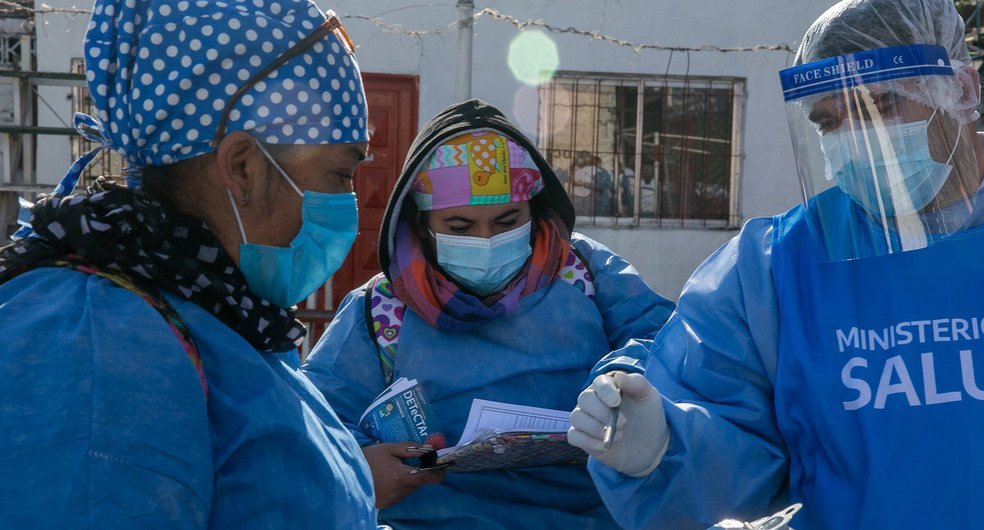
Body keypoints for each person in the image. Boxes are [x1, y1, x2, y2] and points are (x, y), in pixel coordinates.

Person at [567, 0, 984, 529]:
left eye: (878, 105)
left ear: (961, 92)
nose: (852, 138)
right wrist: (662, 450)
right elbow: (727, 436)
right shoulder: (777, 270)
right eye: (828, 120)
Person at [0, 0, 379, 527]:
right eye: (341, 175)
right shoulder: (98, 344)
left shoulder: (216, 309)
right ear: (243, 167)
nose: (349, 204)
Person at [300, 99, 674, 530]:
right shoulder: (381, 310)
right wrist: (359, 467)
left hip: (591, 513)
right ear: (420, 223)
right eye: (460, 228)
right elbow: (314, 420)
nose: (487, 240)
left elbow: (663, 337)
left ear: (534, 210)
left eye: (506, 220)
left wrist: (621, 380)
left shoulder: (582, 271)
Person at [571, 151, 616, 217]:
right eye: (579, 157)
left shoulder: (596, 171)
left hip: (591, 200)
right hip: (577, 199)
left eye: (583, 157)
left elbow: (601, 185)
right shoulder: (574, 169)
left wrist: (583, 184)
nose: (580, 159)